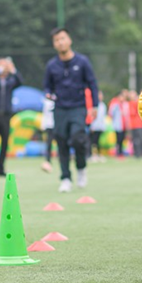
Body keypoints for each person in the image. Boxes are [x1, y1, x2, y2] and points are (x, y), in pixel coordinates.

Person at [43, 28, 99, 193]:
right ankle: (65, 178)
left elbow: (92, 84)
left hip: (78, 108)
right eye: (56, 40)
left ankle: (81, 168)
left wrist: (94, 106)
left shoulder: (82, 62)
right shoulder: (52, 65)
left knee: (77, 139)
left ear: (69, 40)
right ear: (54, 45)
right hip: (59, 108)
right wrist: (48, 93)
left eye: (62, 38)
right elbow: (47, 86)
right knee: (61, 142)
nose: (60, 42)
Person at [108, 90, 127, 158]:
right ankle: (118, 153)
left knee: (122, 140)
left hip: (124, 125)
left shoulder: (124, 104)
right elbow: (111, 113)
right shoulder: (115, 104)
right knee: (118, 140)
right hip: (118, 125)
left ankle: (121, 153)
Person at [40, 96, 55, 172]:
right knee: (48, 143)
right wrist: (43, 125)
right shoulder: (46, 102)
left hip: (58, 125)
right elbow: (45, 114)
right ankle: (48, 160)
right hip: (49, 125)